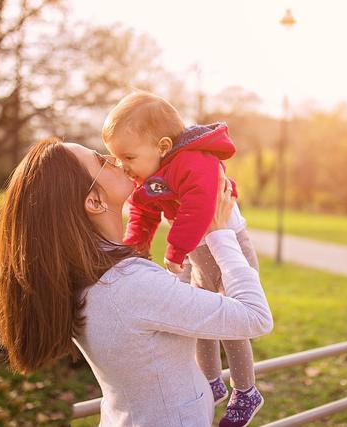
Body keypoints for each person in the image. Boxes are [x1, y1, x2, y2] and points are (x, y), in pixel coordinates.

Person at [0, 137, 273, 426]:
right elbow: (256, 317)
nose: (113, 159)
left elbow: (165, 304)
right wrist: (220, 233)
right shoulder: (127, 284)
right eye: (100, 161)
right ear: (94, 200)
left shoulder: (91, 274)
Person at [101, 91, 265, 427]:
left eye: (128, 157)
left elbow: (199, 210)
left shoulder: (195, 161)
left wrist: (174, 251)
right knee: (202, 316)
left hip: (228, 244)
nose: (123, 167)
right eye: (117, 159)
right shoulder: (150, 178)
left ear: (161, 146)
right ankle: (211, 381)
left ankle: (246, 390)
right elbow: (142, 216)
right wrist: (135, 251)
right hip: (200, 249)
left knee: (229, 317)